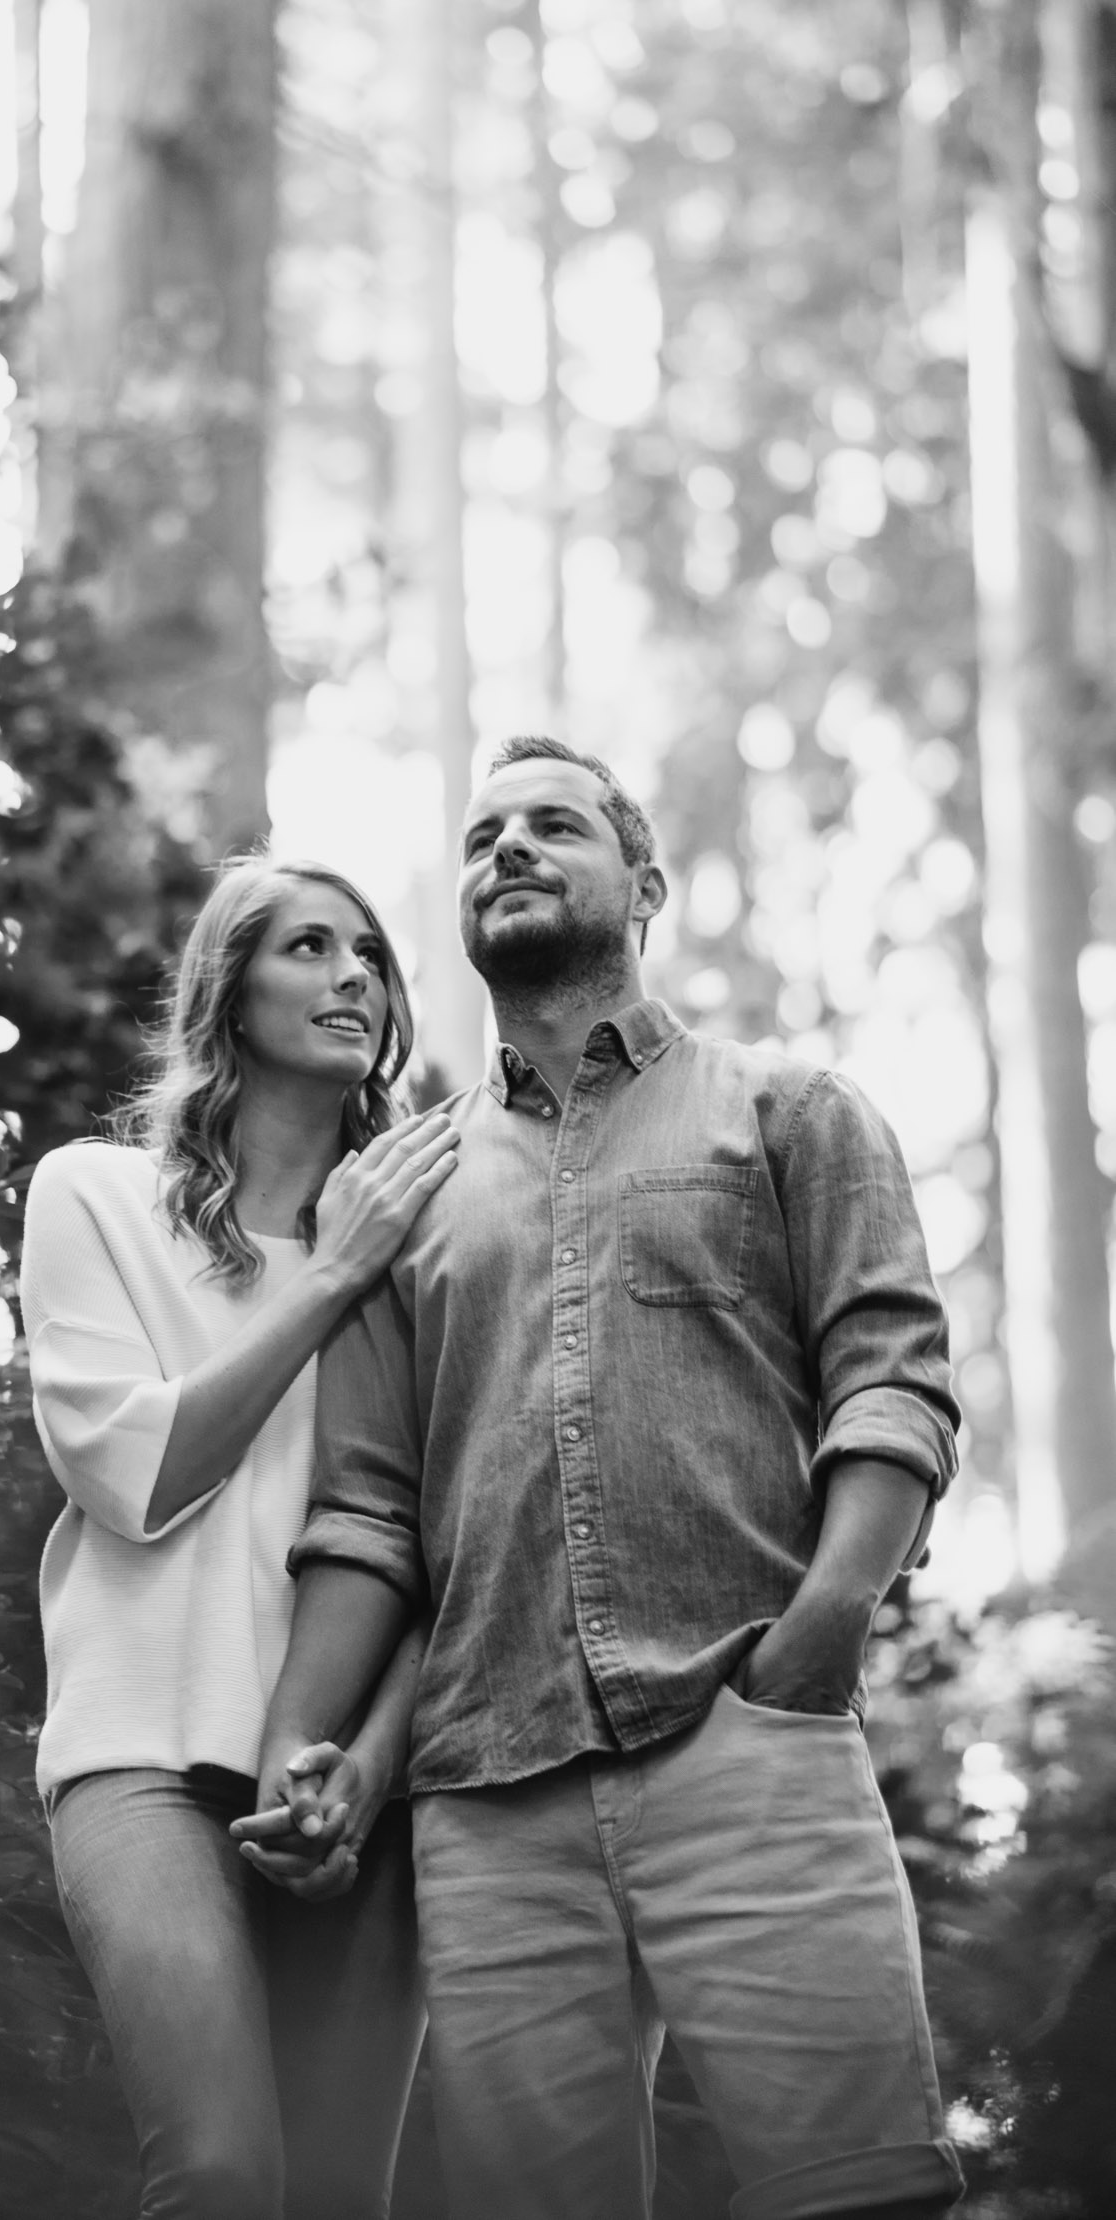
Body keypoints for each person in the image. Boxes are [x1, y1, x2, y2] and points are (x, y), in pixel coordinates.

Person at [237, 735, 966, 2220]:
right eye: (480, 835)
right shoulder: (409, 1190)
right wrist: (325, 1757)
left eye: (550, 827)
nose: (504, 849)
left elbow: (891, 1387)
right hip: (485, 1804)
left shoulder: (786, 1108)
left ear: (641, 885)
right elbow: (372, 1517)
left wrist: (819, 1632)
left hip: (747, 1736)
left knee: (858, 2195)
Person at [21, 855, 457, 2220]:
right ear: (229, 989)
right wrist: (330, 1271)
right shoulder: (95, 1195)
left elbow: (460, 1543)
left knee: (337, 2197)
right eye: (308, 948)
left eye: (369, 957)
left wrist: (373, 1764)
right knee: (216, 2170)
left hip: (348, 1787)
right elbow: (135, 1477)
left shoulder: (432, 1245)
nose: (349, 978)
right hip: (140, 1756)